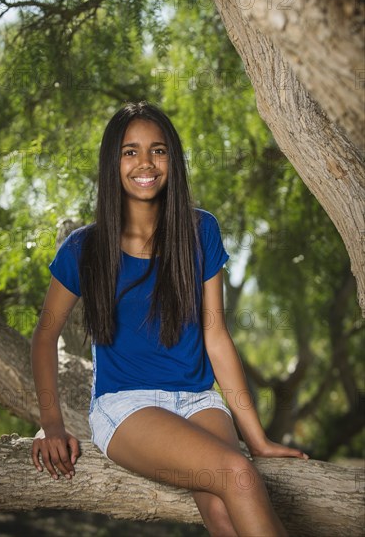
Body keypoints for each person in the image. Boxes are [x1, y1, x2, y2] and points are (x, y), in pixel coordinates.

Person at [31, 101, 308, 536]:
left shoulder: (201, 231)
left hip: (199, 400)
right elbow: (44, 339)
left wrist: (258, 440)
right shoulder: (83, 248)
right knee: (236, 474)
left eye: (158, 151)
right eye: (130, 151)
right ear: (112, 162)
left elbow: (217, 337)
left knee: (222, 507)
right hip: (126, 406)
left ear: (172, 161)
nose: (145, 163)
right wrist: (51, 426)